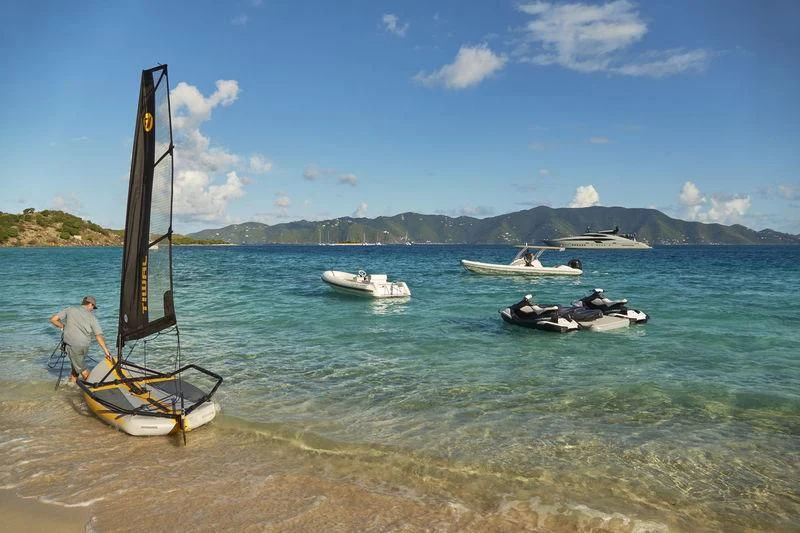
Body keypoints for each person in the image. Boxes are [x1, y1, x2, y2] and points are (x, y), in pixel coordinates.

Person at [50, 296, 112, 382]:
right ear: (90, 304)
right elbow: (98, 335)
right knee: (76, 368)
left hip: (73, 346)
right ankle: (71, 387)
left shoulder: (70, 309)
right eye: (93, 307)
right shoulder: (92, 317)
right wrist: (106, 351)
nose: (93, 309)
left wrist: (63, 327)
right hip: (85, 346)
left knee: (84, 372)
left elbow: (53, 320)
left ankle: (93, 389)